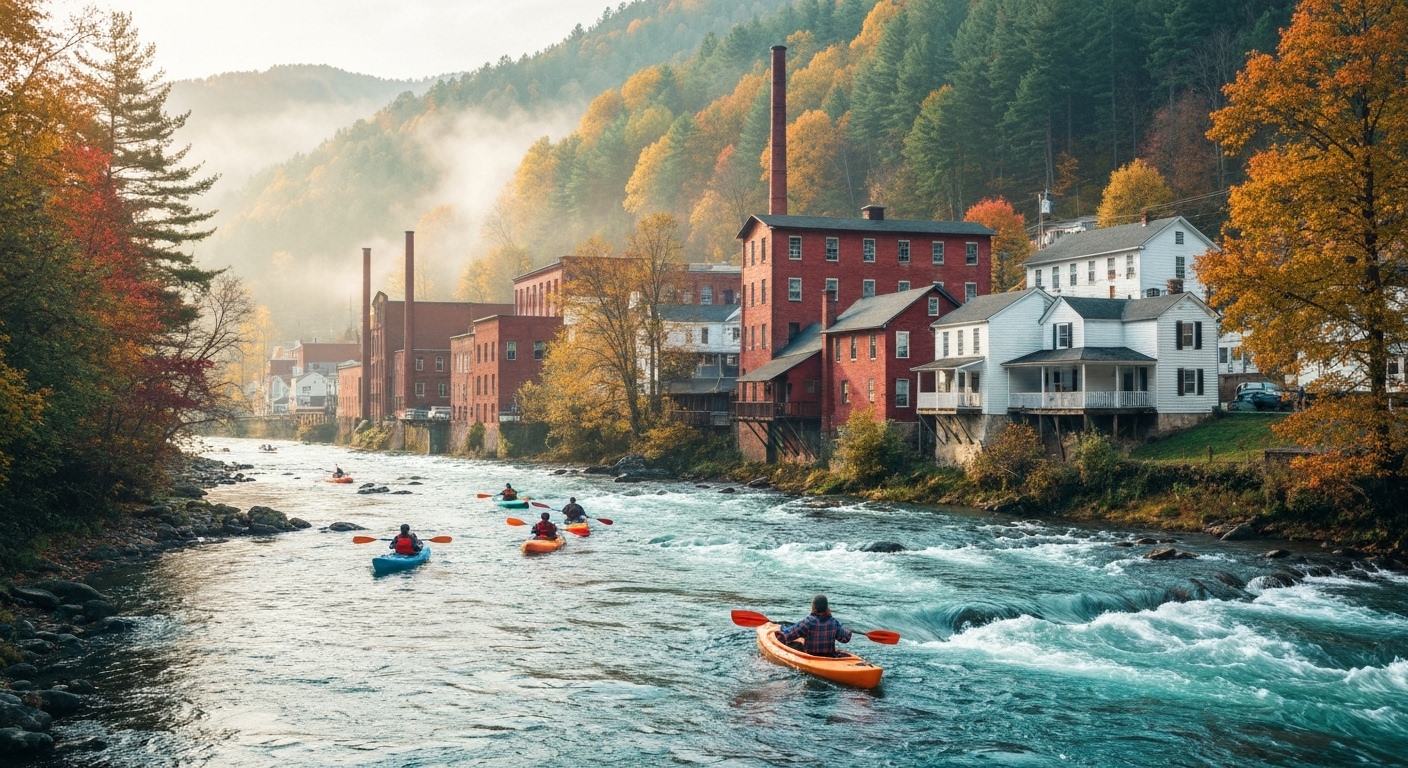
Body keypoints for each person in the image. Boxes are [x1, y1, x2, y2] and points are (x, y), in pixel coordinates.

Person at [777, 594, 852, 657]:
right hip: (829, 657)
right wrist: (847, 630)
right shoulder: (834, 622)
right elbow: (845, 638)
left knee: (795, 644)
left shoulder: (808, 621)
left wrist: (782, 628)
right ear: (827, 608)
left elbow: (788, 635)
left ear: (813, 608)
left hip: (811, 657)